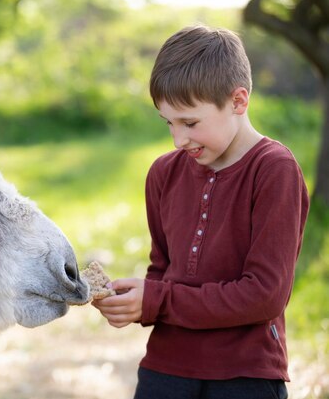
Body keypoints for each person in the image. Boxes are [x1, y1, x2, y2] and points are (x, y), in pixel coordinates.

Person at [92, 25, 309, 399]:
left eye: (190, 123)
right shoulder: (163, 173)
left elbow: (265, 295)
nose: (179, 140)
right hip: (165, 369)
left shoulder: (274, 169)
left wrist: (157, 300)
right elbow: (163, 270)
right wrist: (134, 303)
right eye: (169, 123)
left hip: (246, 374)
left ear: (238, 102)